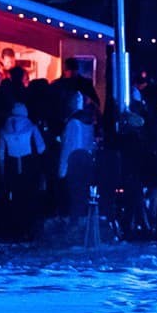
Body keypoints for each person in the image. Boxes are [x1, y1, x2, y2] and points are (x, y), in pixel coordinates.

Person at [0, 102, 46, 239]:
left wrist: (2, 171)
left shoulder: (4, 129)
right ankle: (28, 229)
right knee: (29, 196)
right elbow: (41, 148)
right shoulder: (31, 127)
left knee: (14, 196)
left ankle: (16, 228)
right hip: (29, 164)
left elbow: (1, 153)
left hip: (11, 166)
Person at [57, 89, 98, 222]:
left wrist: (62, 170)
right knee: (83, 193)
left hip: (73, 161)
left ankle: (75, 223)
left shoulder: (72, 123)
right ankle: (83, 221)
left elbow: (68, 146)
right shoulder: (89, 122)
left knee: (74, 194)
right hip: (86, 159)